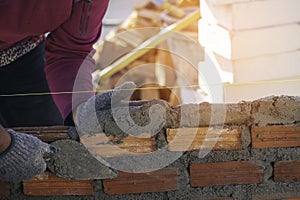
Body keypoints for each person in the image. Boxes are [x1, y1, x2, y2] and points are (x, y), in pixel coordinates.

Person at [0, 0, 118, 182]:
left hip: (20, 53)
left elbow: (71, 51)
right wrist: (4, 144)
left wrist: (82, 107)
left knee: (49, 151)